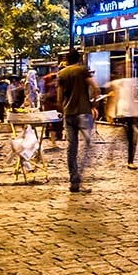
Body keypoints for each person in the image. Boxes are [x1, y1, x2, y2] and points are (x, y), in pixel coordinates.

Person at [57, 49, 99, 193]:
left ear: (67, 60)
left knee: (71, 147)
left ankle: (74, 180)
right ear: (79, 59)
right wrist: (92, 104)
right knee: (87, 146)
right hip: (83, 112)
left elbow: (59, 97)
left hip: (69, 113)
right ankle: (81, 177)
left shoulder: (62, 74)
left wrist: (63, 109)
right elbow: (96, 88)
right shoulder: (82, 71)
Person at [107, 76, 138, 170]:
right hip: (122, 112)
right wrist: (111, 112)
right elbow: (113, 98)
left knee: (130, 138)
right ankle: (115, 157)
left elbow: (135, 97)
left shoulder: (133, 81)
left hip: (130, 113)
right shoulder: (118, 83)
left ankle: (128, 160)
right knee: (123, 136)